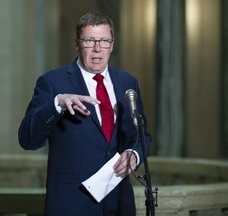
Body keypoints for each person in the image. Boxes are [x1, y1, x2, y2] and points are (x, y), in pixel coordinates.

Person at [18, 11, 152, 216]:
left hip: (119, 204)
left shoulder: (127, 83)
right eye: (89, 40)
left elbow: (142, 136)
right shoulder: (53, 83)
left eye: (104, 41)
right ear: (77, 44)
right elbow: (27, 139)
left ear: (112, 44)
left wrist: (134, 155)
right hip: (71, 204)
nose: (98, 49)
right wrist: (57, 104)